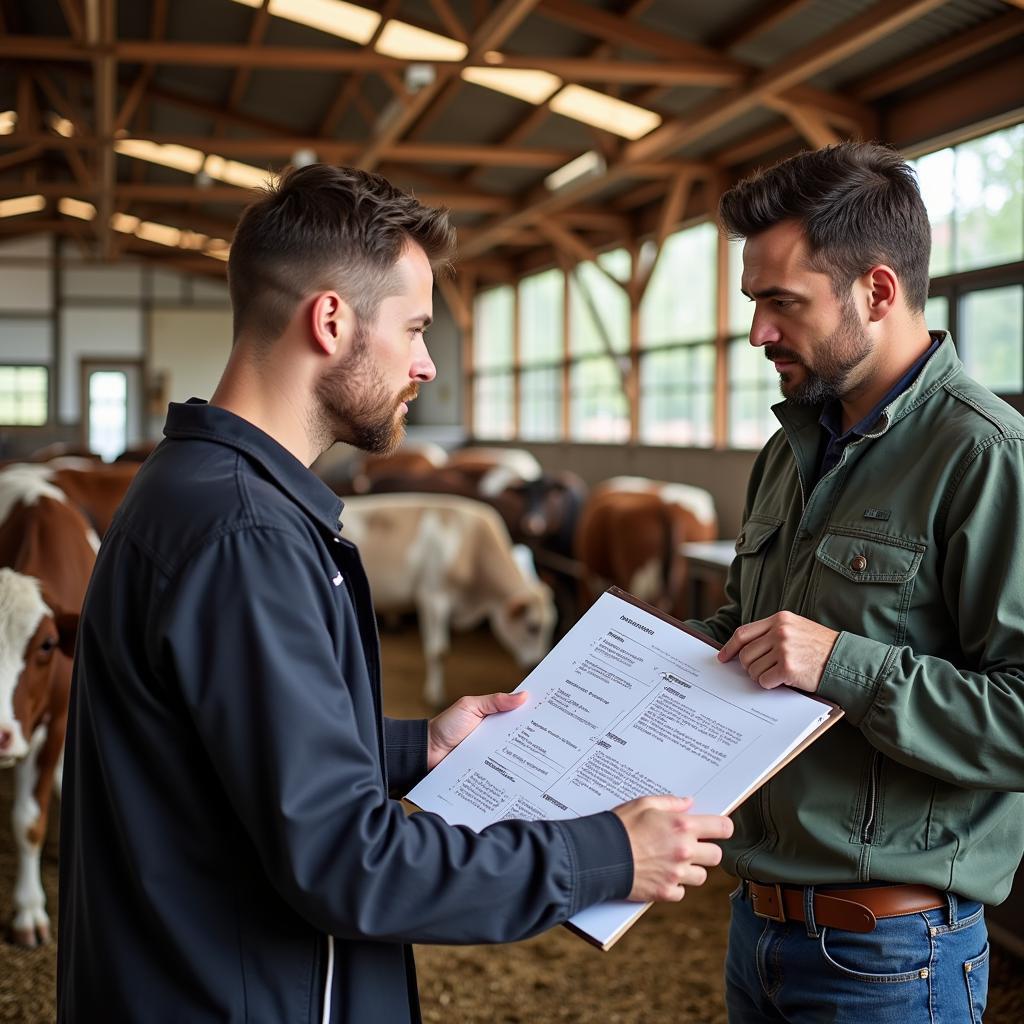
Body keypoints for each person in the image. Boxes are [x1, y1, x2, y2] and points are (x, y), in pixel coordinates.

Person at [55, 164, 733, 1023]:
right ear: (332, 320)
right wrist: (604, 855)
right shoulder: (246, 536)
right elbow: (347, 863)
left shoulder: (198, 491)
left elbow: (222, 751)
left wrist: (415, 750)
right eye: (414, 328)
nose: (426, 364)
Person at [684, 141, 1024, 1023]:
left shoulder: (984, 458)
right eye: (754, 301)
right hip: (758, 930)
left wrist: (845, 663)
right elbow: (746, 635)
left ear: (877, 291)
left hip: (891, 956)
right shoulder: (787, 451)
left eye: (781, 303)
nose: (758, 331)